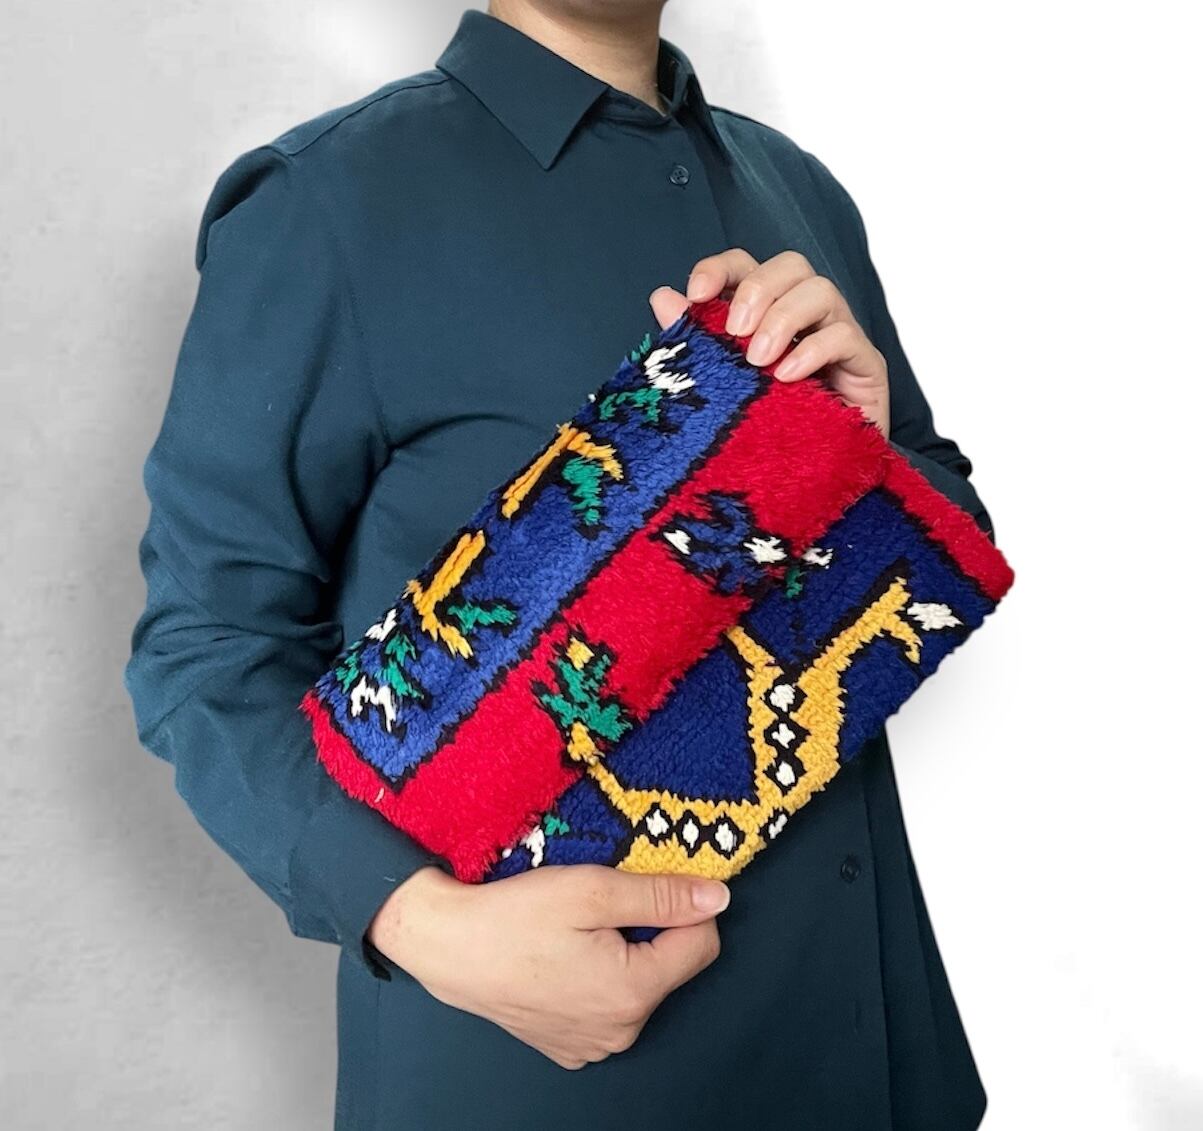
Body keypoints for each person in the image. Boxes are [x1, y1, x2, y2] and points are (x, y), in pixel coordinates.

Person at [124, 3, 997, 1128]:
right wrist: (415, 918)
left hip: (875, 1050)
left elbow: (946, 522)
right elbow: (206, 645)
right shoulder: (323, 204)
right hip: (541, 1078)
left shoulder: (801, 192)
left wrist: (860, 451)